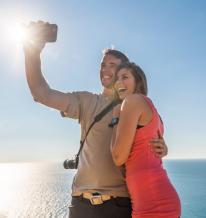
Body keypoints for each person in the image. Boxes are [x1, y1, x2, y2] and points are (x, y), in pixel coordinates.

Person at [23, 21, 168, 218]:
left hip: (118, 205)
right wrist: (32, 52)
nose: (105, 69)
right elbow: (41, 93)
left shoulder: (134, 107)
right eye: (102, 65)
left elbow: (150, 142)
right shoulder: (86, 101)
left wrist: (163, 147)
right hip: (80, 203)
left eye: (112, 65)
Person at [110, 62, 181, 218]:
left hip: (153, 204)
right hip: (156, 199)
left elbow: (118, 157)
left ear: (138, 82)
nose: (119, 82)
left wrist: (115, 118)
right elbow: (150, 142)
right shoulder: (151, 108)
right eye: (117, 79)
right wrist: (165, 149)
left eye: (125, 77)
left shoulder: (132, 101)